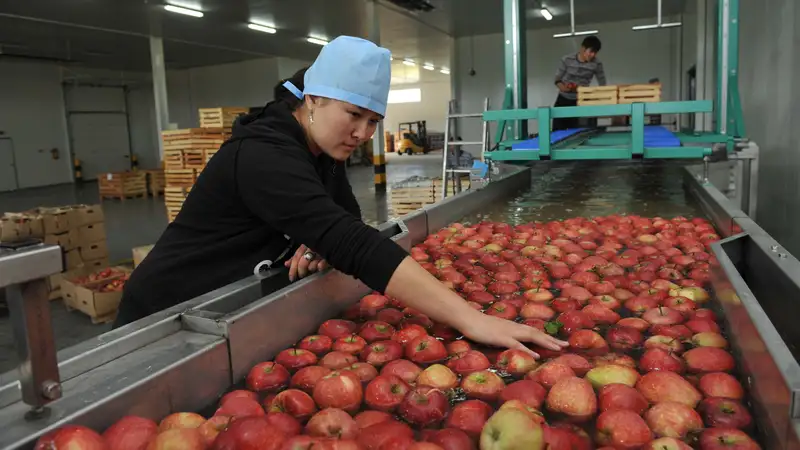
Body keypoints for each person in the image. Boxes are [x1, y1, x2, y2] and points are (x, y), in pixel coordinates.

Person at [115, 36, 567, 357]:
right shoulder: (262, 154)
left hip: (224, 308)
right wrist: (470, 319)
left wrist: (315, 236)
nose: (363, 133)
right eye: (353, 114)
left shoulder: (320, 152)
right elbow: (350, 240)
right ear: (312, 100)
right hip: (163, 317)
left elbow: (342, 222)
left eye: (373, 121)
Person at [553, 36, 607, 131]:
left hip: (581, 100)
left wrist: (600, 97)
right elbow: (557, 80)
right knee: (557, 131)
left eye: (595, 53)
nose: (592, 55)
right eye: (590, 52)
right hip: (563, 99)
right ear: (583, 49)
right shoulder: (567, 59)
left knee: (577, 132)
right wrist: (563, 87)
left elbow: (603, 84)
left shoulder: (597, 64)